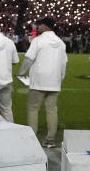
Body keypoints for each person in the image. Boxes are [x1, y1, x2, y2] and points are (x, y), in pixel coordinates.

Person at [19, 17, 67, 147]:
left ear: (45, 27)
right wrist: (59, 79)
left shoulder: (38, 41)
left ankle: (32, 139)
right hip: (54, 81)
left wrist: (22, 72)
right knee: (52, 110)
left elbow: (29, 58)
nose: (38, 27)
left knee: (33, 108)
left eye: (40, 25)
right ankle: (50, 140)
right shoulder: (61, 43)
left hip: (39, 80)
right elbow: (64, 64)